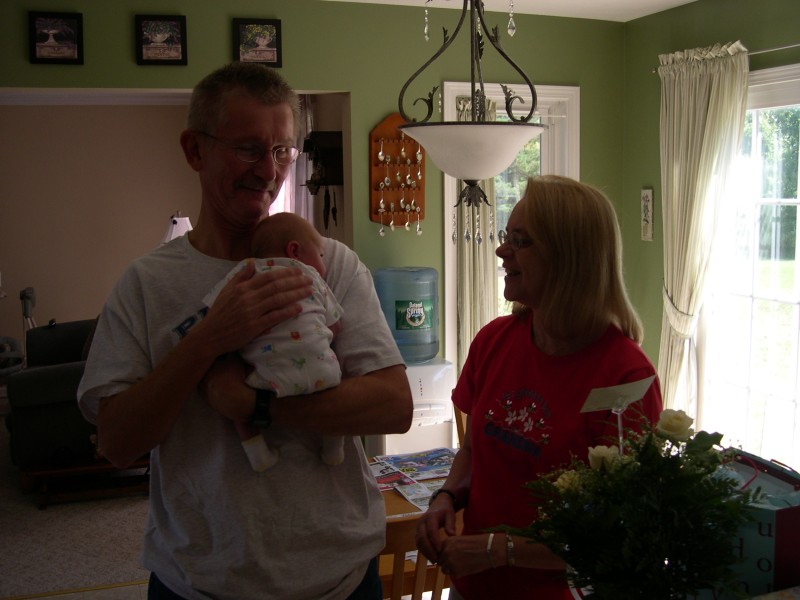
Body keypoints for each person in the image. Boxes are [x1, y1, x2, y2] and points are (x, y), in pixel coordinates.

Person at [77, 62, 413, 600]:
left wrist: (258, 407)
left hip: (341, 580)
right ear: (195, 150)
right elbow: (117, 443)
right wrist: (209, 338)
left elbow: (393, 407)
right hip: (201, 584)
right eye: (249, 149)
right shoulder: (145, 284)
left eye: (282, 151)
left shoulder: (330, 263)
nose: (269, 170)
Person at [415, 175, 664, 600]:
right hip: (472, 588)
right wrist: (446, 497)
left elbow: (616, 533)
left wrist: (499, 550)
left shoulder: (627, 379)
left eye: (521, 241)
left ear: (569, 259)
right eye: (505, 236)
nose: (501, 251)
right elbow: (473, 451)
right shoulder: (494, 341)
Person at [203, 212, 345, 472]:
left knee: (236, 400)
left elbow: (215, 312)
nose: (323, 263)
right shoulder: (311, 276)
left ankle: (257, 452)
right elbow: (335, 325)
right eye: (321, 255)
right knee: (336, 395)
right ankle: (333, 446)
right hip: (324, 373)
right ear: (294, 250)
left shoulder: (245, 272)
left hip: (268, 378)